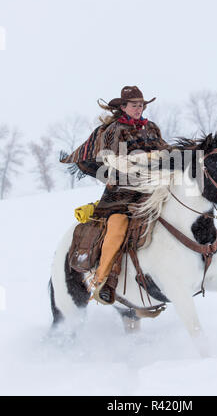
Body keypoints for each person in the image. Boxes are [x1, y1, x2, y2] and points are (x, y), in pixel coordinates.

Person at [60, 85, 170, 304]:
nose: (138, 109)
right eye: (134, 105)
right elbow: (116, 163)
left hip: (150, 189)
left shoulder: (152, 128)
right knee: (118, 227)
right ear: (123, 107)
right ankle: (102, 280)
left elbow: (165, 152)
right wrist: (149, 159)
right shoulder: (114, 130)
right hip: (120, 195)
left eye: (141, 105)